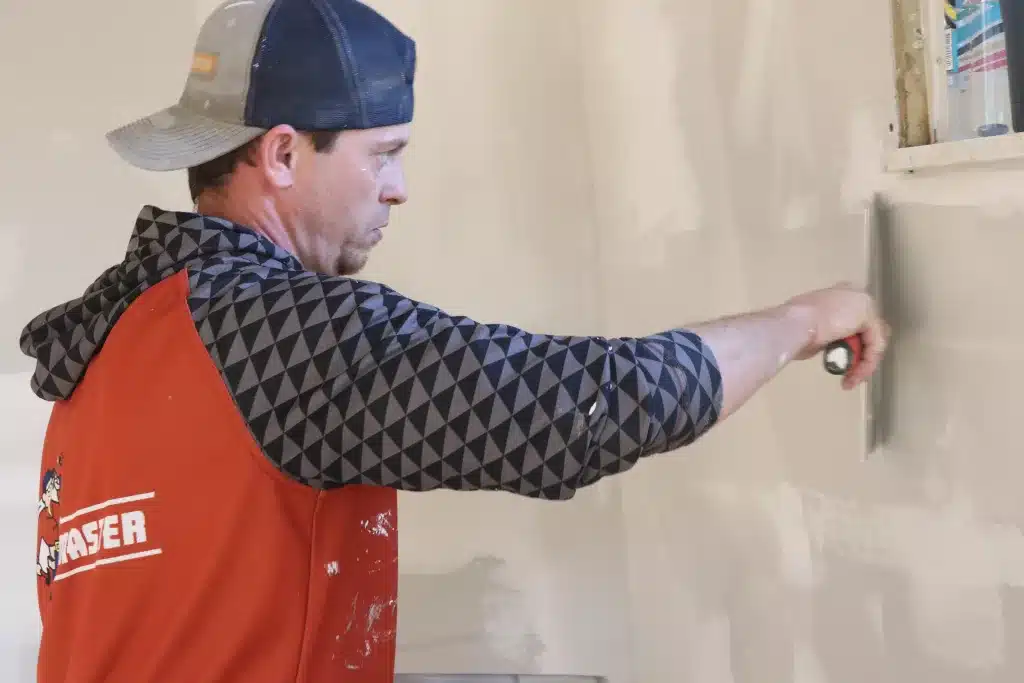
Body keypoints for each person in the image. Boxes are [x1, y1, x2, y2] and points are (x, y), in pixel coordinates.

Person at [18, 0, 889, 681]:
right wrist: (805, 320)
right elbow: (584, 409)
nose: (398, 189)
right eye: (383, 154)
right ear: (282, 155)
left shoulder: (100, 350)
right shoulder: (279, 336)